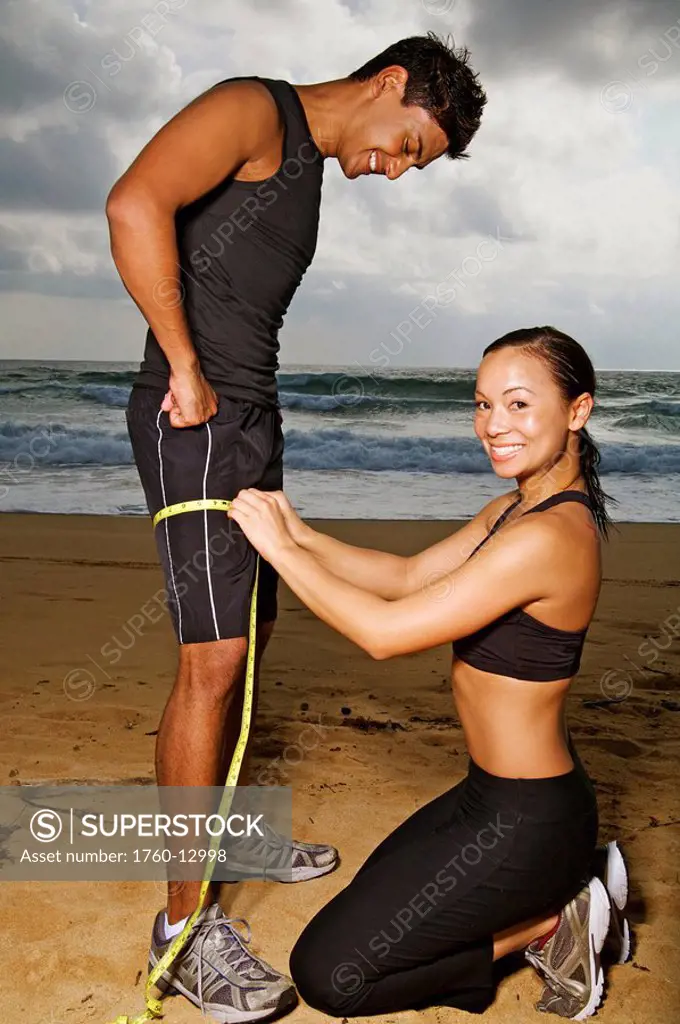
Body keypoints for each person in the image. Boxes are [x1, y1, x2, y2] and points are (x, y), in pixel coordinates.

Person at [107, 33, 487, 1022]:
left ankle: (223, 835)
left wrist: (241, 407)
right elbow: (131, 203)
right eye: (409, 145)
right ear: (388, 84)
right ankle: (181, 933)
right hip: (193, 418)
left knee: (252, 636)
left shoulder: (305, 166)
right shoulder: (250, 109)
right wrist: (185, 368)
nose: (396, 170)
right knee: (213, 660)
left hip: (247, 423)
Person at [228, 326, 632, 1020]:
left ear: (578, 410)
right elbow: (407, 576)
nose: (493, 427)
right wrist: (300, 535)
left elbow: (385, 635)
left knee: (333, 976)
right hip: (486, 797)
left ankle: (555, 922)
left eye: (516, 405)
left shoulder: (548, 537)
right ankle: (563, 893)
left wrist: (278, 554)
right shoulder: (514, 508)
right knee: (381, 906)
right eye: (481, 406)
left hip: (530, 817)